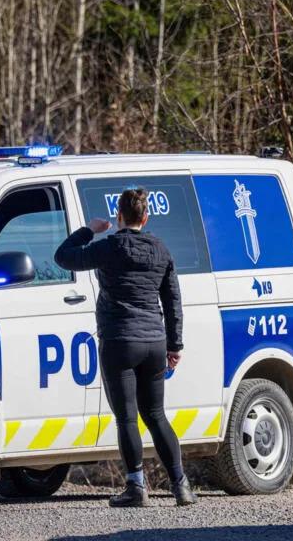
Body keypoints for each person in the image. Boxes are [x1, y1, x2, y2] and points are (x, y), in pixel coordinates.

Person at [54, 187, 196, 508]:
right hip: (155, 342)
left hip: (119, 341)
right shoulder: (161, 249)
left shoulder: (110, 247)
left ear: (119, 216)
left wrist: (89, 230)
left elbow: (63, 257)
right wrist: (175, 345)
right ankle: (181, 486)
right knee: (156, 415)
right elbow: (173, 301)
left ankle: (136, 487)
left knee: (128, 419)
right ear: (145, 218)